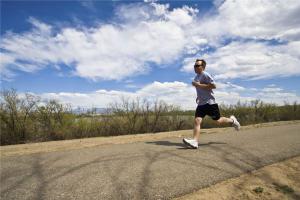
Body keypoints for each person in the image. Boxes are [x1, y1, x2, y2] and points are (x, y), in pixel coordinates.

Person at [183, 59, 240, 149]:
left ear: (203, 67)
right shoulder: (196, 77)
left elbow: (213, 86)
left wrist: (198, 85)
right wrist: (199, 96)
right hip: (201, 104)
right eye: (194, 65)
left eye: (197, 65)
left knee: (218, 120)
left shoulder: (205, 75)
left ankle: (233, 121)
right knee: (197, 120)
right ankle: (195, 142)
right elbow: (201, 89)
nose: (195, 67)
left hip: (210, 103)